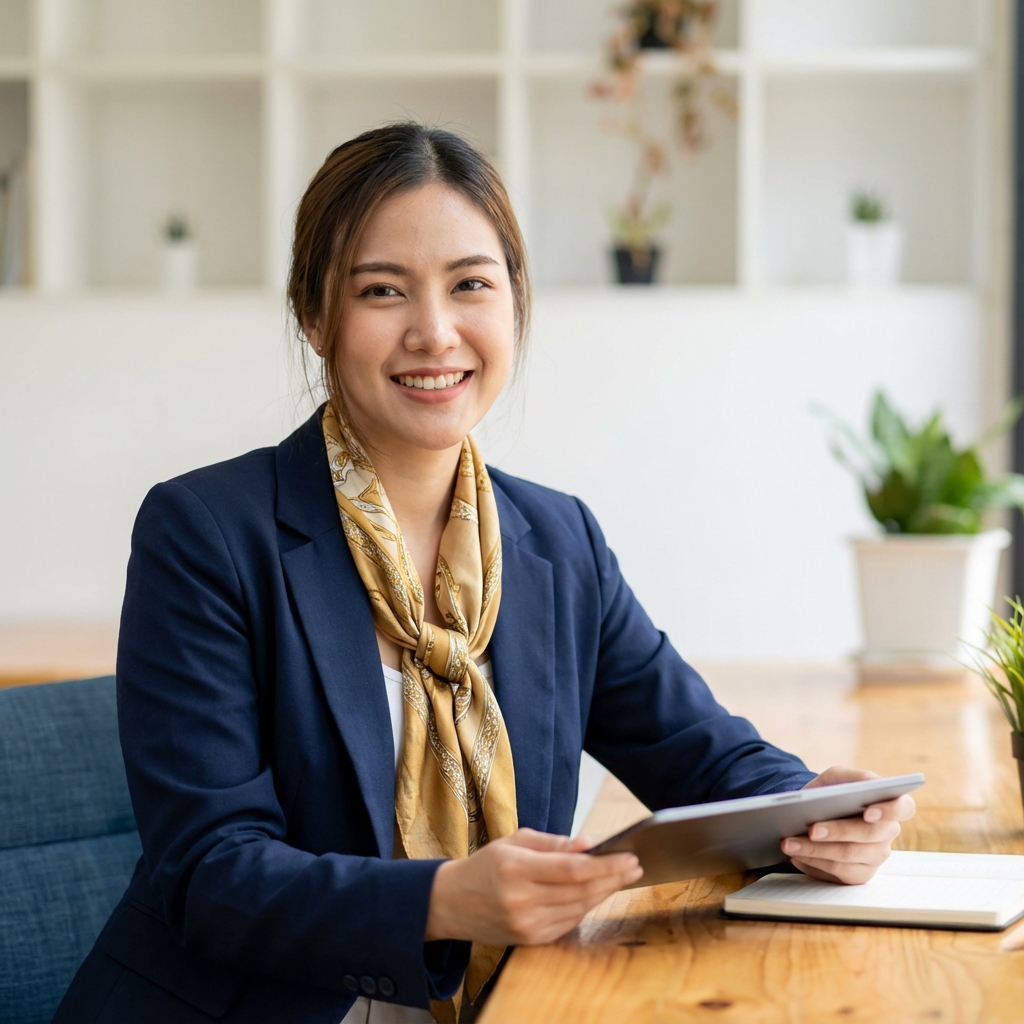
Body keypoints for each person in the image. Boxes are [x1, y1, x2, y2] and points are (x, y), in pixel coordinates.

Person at [55, 123, 915, 1024]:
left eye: (471, 284)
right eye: (383, 291)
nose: (435, 332)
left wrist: (813, 812)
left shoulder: (555, 539)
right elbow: (210, 873)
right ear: (314, 317)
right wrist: (444, 903)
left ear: (513, 305)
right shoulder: (207, 533)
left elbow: (695, 752)